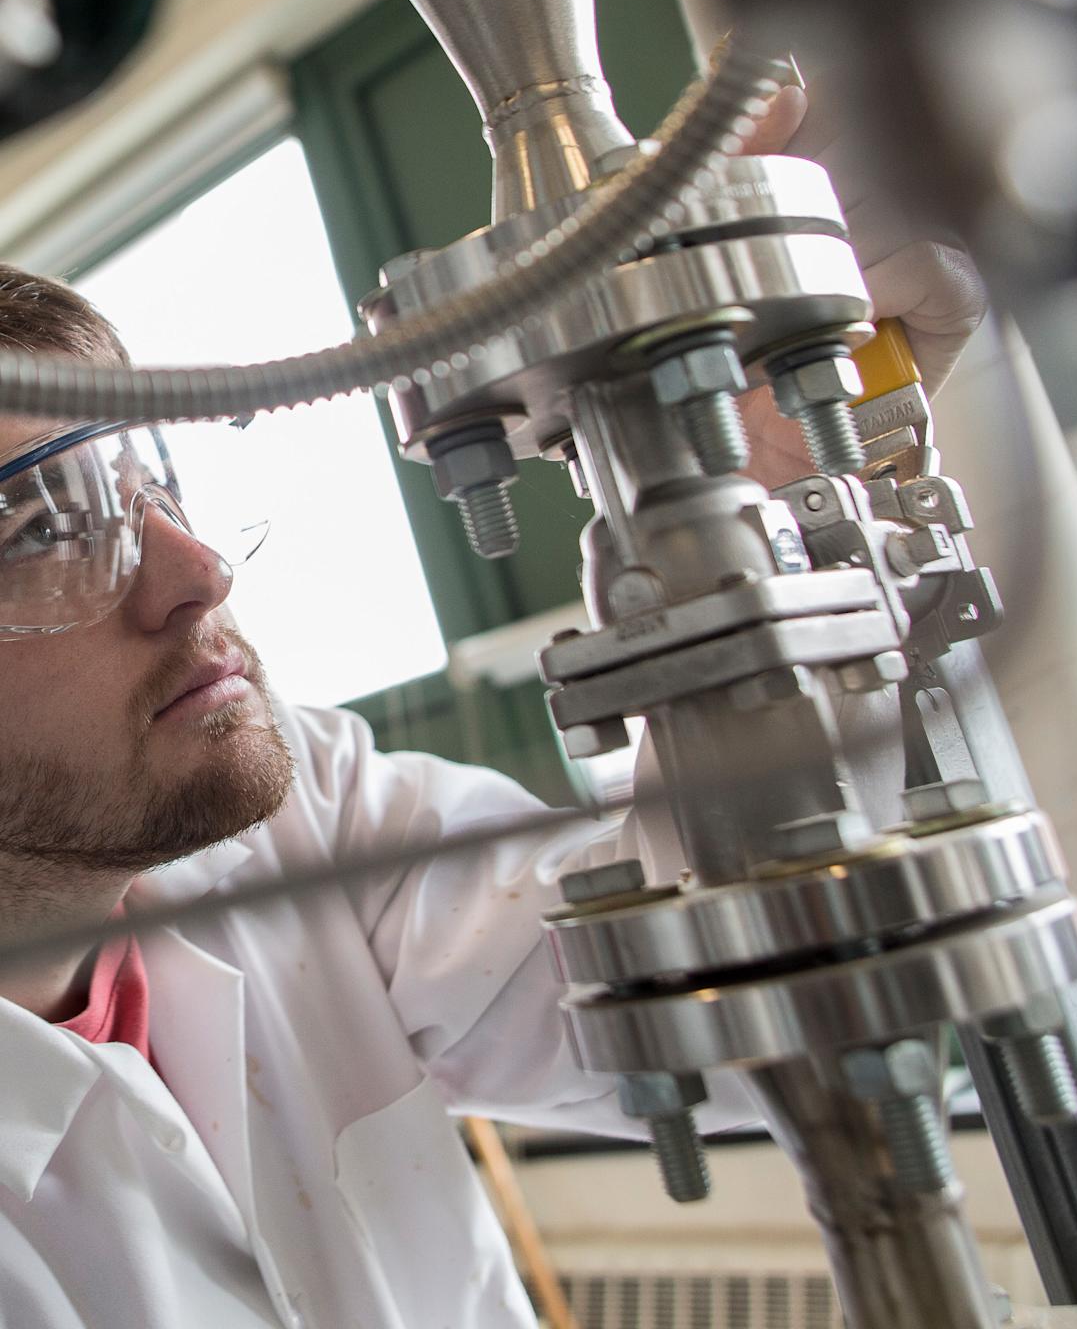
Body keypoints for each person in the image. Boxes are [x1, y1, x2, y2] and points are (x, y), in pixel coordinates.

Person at [0, 79, 985, 1327]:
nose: (199, 572)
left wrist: (766, 507)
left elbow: (753, 1005)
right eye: (42, 528)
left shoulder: (299, 823)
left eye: (156, 487)